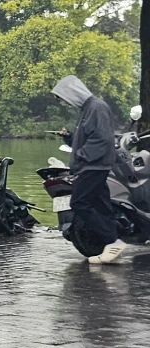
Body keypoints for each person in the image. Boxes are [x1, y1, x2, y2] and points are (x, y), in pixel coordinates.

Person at [55, 75, 127, 262]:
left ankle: (113, 241)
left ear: (73, 92)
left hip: (94, 166)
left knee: (79, 202)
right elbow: (88, 138)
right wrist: (69, 138)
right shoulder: (87, 109)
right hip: (93, 165)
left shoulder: (97, 107)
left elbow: (102, 139)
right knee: (102, 206)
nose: (65, 103)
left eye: (64, 98)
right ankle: (112, 247)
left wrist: (81, 155)